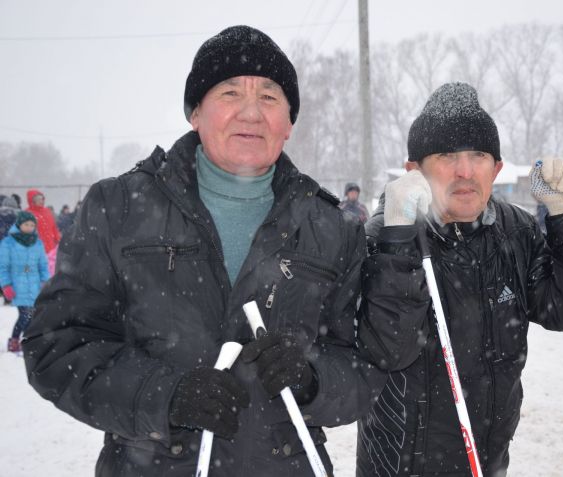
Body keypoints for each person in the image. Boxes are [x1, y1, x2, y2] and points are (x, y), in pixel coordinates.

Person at [23, 25, 381, 477]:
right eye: (230, 93)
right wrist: (164, 394)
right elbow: (57, 346)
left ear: (289, 124)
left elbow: (362, 370)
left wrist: (311, 379)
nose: (251, 113)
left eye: (270, 97)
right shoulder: (118, 208)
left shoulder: (332, 228)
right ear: (195, 112)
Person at [356, 82, 563, 477]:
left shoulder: (516, 232)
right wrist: (399, 239)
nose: (464, 170)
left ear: (497, 169)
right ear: (413, 171)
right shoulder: (380, 239)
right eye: (446, 155)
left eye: (478, 155)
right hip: (399, 467)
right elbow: (387, 347)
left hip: (488, 461)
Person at [0, 211, 49, 352]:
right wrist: (6, 285)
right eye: (26, 224)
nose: (29, 227)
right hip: (17, 286)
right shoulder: (8, 243)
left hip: (34, 286)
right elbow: (3, 266)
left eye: (32, 225)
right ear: (19, 224)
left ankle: (25, 341)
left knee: (31, 316)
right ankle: (15, 340)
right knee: (25, 314)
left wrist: (45, 281)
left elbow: (43, 265)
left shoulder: (38, 243)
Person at [25, 189, 61, 254]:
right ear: (32, 200)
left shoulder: (47, 211)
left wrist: (58, 239)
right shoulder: (27, 213)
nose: (41, 201)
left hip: (50, 248)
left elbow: (54, 228)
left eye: (42, 198)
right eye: (38, 199)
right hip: (34, 249)